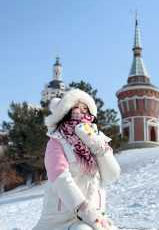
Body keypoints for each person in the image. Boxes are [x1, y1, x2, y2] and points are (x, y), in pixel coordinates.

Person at [33, 88, 121, 230]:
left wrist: (95, 143)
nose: (80, 112)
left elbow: (112, 175)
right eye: (76, 108)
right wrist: (85, 210)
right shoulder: (57, 140)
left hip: (95, 216)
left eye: (85, 108)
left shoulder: (98, 138)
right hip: (61, 219)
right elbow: (60, 178)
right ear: (65, 112)